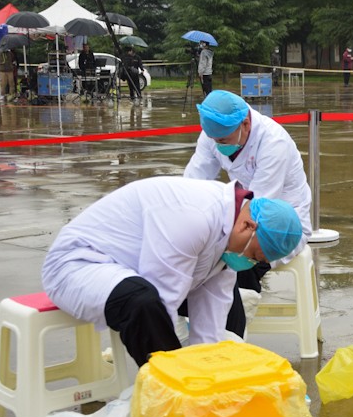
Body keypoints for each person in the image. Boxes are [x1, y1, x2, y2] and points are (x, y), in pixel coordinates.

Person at [42, 175, 303, 367]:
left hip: (126, 272)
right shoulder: (195, 216)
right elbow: (162, 301)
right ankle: (167, 403)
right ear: (247, 226)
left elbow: (210, 321)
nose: (250, 263)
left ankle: (178, 395)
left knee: (230, 309)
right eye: (254, 255)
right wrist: (180, 375)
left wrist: (209, 369)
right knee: (142, 302)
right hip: (79, 265)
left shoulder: (226, 234)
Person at [184, 90, 312, 337]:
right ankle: (206, 327)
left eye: (222, 140)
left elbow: (258, 209)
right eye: (214, 139)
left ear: (245, 123)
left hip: (280, 223)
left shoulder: (273, 143)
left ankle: (233, 332)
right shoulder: (214, 134)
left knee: (238, 262)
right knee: (202, 256)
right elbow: (193, 183)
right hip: (246, 215)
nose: (218, 145)